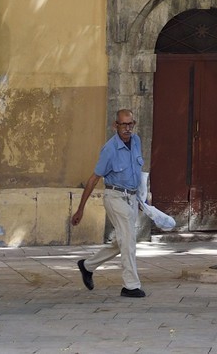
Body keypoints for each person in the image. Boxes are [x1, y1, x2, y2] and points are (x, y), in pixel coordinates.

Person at [71, 108, 149, 297]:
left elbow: (137, 172)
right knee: (129, 240)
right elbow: (93, 179)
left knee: (121, 240)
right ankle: (131, 286)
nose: (127, 128)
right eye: (123, 124)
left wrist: (142, 196)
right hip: (114, 197)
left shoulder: (136, 141)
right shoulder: (110, 149)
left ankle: (87, 266)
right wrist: (80, 209)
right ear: (116, 125)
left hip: (131, 197)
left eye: (130, 124)